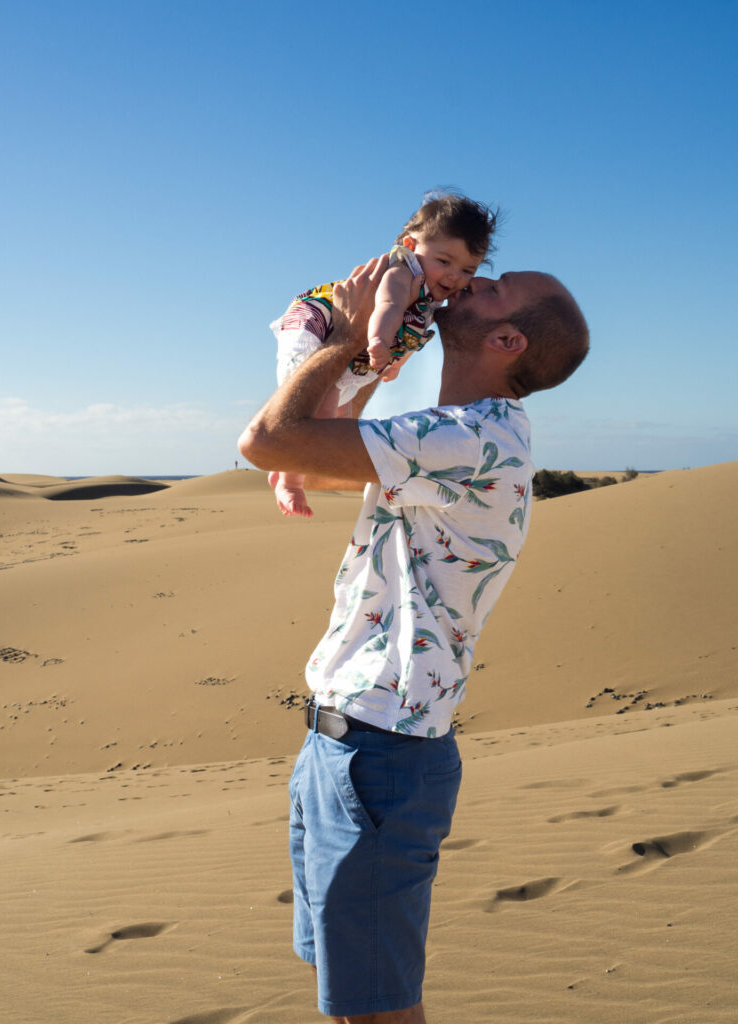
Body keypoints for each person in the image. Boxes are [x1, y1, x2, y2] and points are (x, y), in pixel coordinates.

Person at [238, 257, 589, 1023]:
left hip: (381, 757)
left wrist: (357, 345)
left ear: (505, 338)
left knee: (376, 1011)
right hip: (344, 747)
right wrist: (369, 349)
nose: (467, 283)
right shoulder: (439, 442)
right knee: (345, 986)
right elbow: (315, 456)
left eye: (491, 289)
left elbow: (267, 441)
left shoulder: (474, 437)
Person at [269, 193, 496, 518]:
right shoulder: (403, 272)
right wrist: (378, 340)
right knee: (318, 416)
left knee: (340, 421)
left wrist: (396, 362)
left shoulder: (429, 300)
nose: (454, 276)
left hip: (351, 352)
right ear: (411, 245)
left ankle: (285, 465)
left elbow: (412, 335)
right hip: (319, 326)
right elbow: (388, 308)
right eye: (444, 262)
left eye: (467, 269)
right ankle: (290, 482)